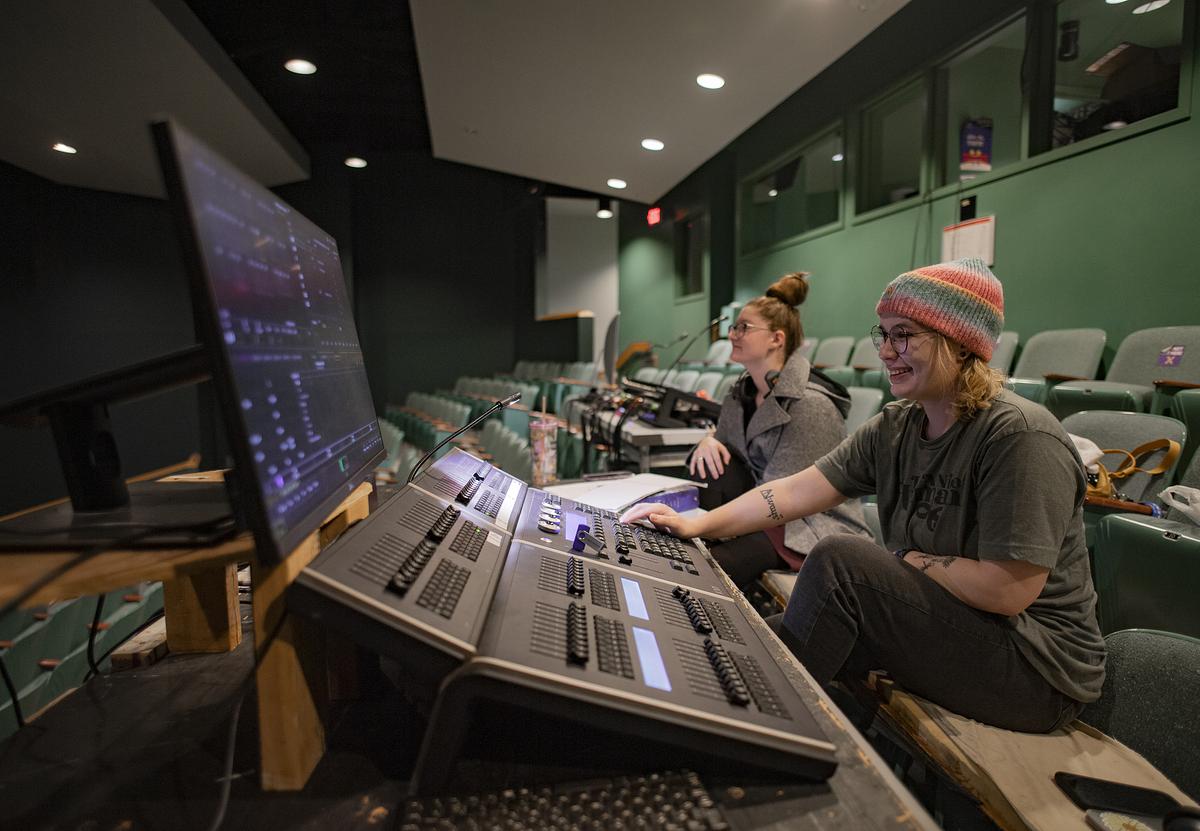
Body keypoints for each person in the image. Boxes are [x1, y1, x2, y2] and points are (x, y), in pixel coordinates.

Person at [623, 258, 1106, 733]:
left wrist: (909, 561)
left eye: (904, 335)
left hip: (1035, 668)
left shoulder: (1019, 436)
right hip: (958, 620)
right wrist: (696, 526)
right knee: (765, 641)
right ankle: (697, 705)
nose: (886, 351)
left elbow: (1007, 591)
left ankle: (748, 731)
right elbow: (793, 491)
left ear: (958, 344)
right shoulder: (897, 425)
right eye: (884, 334)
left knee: (840, 562)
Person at [688, 272, 871, 590]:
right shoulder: (741, 393)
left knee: (711, 569)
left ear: (777, 339)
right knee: (713, 469)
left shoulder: (811, 406)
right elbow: (726, 445)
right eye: (734, 327)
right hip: (764, 515)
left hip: (807, 526)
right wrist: (708, 441)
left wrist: (702, 526)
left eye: (744, 327)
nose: (733, 335)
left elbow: (784, 500)